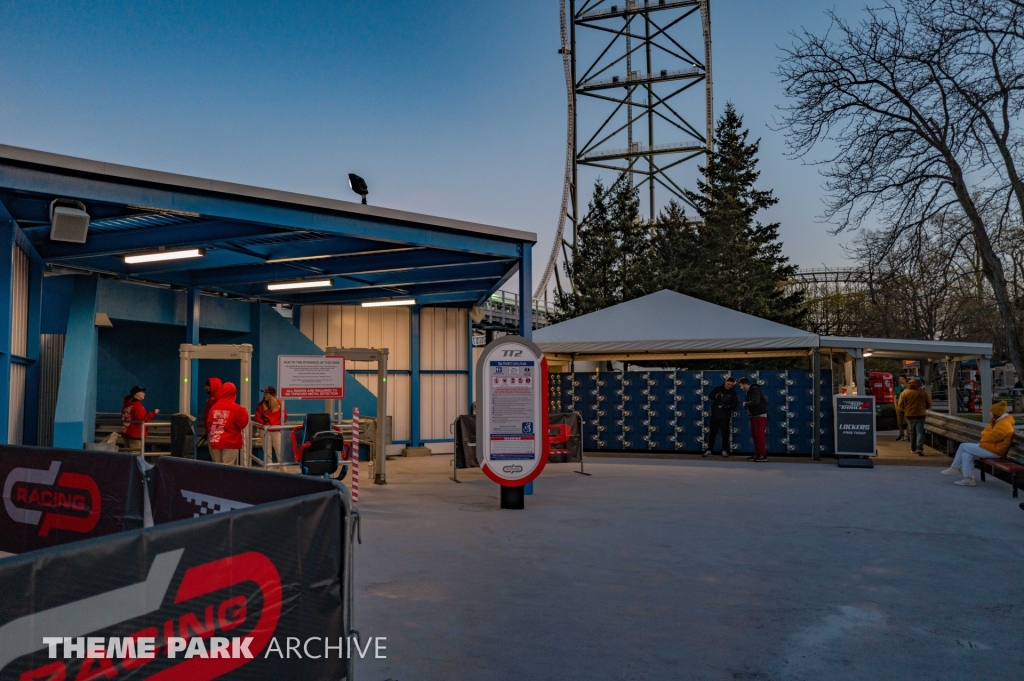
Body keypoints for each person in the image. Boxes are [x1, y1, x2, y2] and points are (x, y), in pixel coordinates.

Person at [941, 401, 1015, 486]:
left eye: (990, 413)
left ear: (996, 414)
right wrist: (986, 434)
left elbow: (990, 437)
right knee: (966, 454)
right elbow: (985, 433)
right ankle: (968, 479)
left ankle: (955, 467)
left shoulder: (1003, 424)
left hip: (996, 451)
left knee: (963, 446)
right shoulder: (997, 422)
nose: (989, 415)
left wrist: (985, 434)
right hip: (991, 448)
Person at [207, 382, 250, 465]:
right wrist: (245, 412)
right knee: (228, 468)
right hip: (230, 442)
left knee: (217, 467)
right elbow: (242, 424)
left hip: (216, 441)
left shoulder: (214, 407)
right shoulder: (237, 408)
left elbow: (209, 424)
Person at [704, 376, 739, 457]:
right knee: (712, 433)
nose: (729, 386)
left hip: (725, 416)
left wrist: (727, 407)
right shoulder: (718, 389)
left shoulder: (733, 393)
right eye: (728, 384)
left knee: (725, 434)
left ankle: (724, 450)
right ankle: (709, 450)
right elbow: (710, 395)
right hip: (715, 415)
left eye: (731, 385)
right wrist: (716, 396)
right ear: (725, 382)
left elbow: (734, 405)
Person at [897, 378, 932, 456]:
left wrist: (906, 409)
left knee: (912, 432)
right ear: (918, 385)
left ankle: (913, 448)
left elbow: (900, 404)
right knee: (920, 432)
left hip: (910, 415)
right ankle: (920, 448)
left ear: (908, 385)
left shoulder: (904, 393)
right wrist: (923, 408)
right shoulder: (923, 393)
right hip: (921, 415)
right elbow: (929, 404)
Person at [120, 386, 159, 452]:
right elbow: (141, 419)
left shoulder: (127, 404)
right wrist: (153, 413)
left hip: (126, 432)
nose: (144, 394)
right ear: (137, 394)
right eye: (142, 392)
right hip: (135, 434)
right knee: (135, 455)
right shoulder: (137, 406)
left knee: (127, 455)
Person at [738, 377, 768, 462]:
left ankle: (763, 455)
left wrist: (746, 404)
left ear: (744, 384)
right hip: (754, 415)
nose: (741, 388)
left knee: (759, 435)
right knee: (755, 435)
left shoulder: (755, 388)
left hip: (760, 415)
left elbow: (756, 402)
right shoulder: (748, 392)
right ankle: (757, 453)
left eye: (741, 386)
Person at [254, 385, 287, 464]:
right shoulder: (261, 405)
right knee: (267, 453)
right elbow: (257, 417)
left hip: (276, 430)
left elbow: (284, 416)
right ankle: (269, 471)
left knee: (279, 451)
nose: (264, 395)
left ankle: (284, 471)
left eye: (266, 394)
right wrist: (263, 423)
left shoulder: (280, 404)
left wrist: (276, 425)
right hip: (265, 430)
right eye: (264, 394)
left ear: (272, 395)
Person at [894, 375, 908, 441]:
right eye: (900, 379)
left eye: (902, 379)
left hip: (907, 406)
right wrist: (895, 405)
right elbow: (895, 397)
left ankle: (908, 434)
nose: (901, 380)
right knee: (900, 421)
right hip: (899, 406)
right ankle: (901, 434)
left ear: (905, 379)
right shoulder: (897, 388)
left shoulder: (908, 387)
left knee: (907, 421)